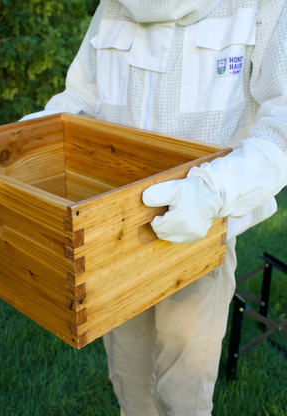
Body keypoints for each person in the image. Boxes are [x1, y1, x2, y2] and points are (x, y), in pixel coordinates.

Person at [21, 0, 287, 414]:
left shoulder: (260, 6)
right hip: (113, 240)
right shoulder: (111, 7)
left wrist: (212, 192)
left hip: (196, 243)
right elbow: (81, 100)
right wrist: (29, 139)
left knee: (182, 397)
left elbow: (282, 125)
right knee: (129, 383)